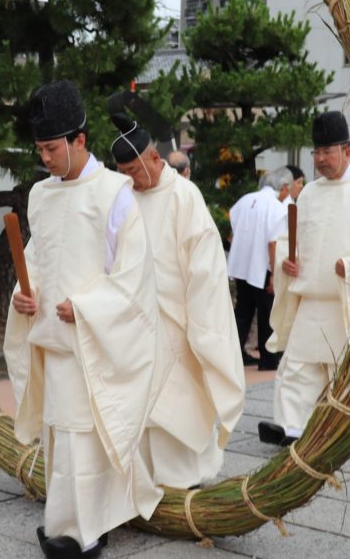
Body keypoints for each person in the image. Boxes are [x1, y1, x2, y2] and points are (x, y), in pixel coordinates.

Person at [3, 82, 164, 558]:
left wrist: (88, 308)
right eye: (39, 150)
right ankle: (68, 524)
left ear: (79, 139)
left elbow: (134, 275)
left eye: (52, 149)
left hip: (93, 339)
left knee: (80, 437)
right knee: (60, 435)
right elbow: (37, 256)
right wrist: (24, 294)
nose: (45, 158)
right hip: (53, 338)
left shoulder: (115, 193)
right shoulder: (41, 195)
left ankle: (82, 533)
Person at [109, 96, 244, 489]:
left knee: (178, 403)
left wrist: (200, 324)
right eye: (123, 172)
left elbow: (205, 266)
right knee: (143, 407)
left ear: (155, 158)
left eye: (135, 170)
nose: (131, 179)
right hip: (135, 322)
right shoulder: (124, 199)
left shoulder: (185, 196)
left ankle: (186, 478)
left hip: (178, 320)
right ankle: (147, 480)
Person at [258, 112, 350, 446]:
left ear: (346, 150)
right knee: (298, 366)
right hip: (310, 299)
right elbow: (288, 239)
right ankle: (292, 428)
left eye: (328, 151)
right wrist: (287, 259)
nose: (321, 159)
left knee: (343, 370)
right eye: (317, 152)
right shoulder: (308, 193)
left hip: (344, 300)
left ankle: (343, 427)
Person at [226, 168, 291, 370]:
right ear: (283, 187)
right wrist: (274, 275)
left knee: (242, 312)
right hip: (261, 266)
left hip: (241, 264)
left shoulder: (244, 200)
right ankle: (268, 359)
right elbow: (273, 243)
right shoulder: (276, 207)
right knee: (267, 314)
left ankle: (232, 357)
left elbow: (233, 227)